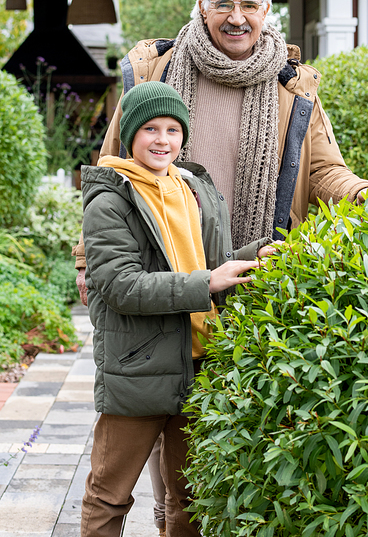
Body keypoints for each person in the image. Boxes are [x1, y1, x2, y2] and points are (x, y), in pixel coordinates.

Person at [74, 0, 368, 533]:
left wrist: (367, 197)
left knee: (201, 457)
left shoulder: (294, 90)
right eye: (224, 5)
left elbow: (324, 173)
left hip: (243, 281)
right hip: (160, 274)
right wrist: (88, 262)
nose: (236, 17)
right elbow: (107, 168)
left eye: (249, 6)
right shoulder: (157, 71)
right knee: (145, 436)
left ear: (267, 11)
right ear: (203, 8)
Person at [80, 81, 273, 537]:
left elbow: (207, 266)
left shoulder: (194, 190)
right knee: (110, 494)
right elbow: (119, 286)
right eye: (149, 128)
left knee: (190, 497)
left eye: (172, 129)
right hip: (139, 368)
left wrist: (253, 258)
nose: (162, 140)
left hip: (201, 360)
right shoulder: (110, 200)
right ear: (129, 135)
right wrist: (209, 281)